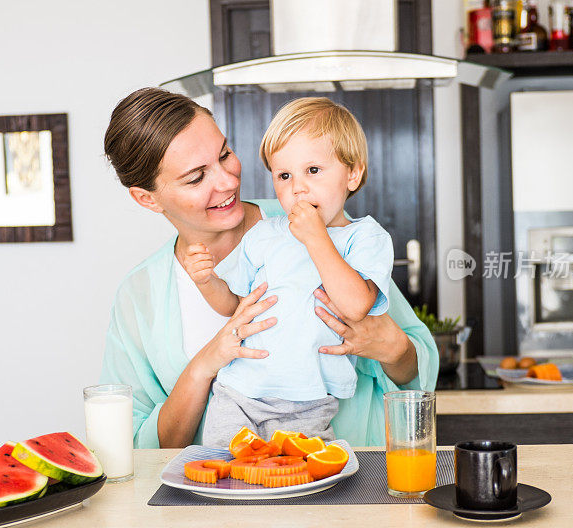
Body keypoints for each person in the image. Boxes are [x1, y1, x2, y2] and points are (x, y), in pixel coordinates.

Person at [100, 87, 438, 449]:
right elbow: (141, 448)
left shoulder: (317, 226)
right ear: (146, 198)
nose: (228, 181)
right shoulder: (139, 297)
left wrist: (391, 347)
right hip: (220, 496)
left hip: (343, 487)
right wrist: (205, 366)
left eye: (225, 154)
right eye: (197, 177)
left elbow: (417, 369)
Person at [183, 98, 394, 447]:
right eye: (284, 175)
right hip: (240, 393)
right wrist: (207, 281)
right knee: (224, 475)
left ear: (352, 174)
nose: (297, 187)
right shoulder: (265, 233)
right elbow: (234, 305)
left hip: (310, 400)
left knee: (300, 480)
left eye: (313, 171)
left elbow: (356, 306)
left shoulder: (366, 237)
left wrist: (317, 239)